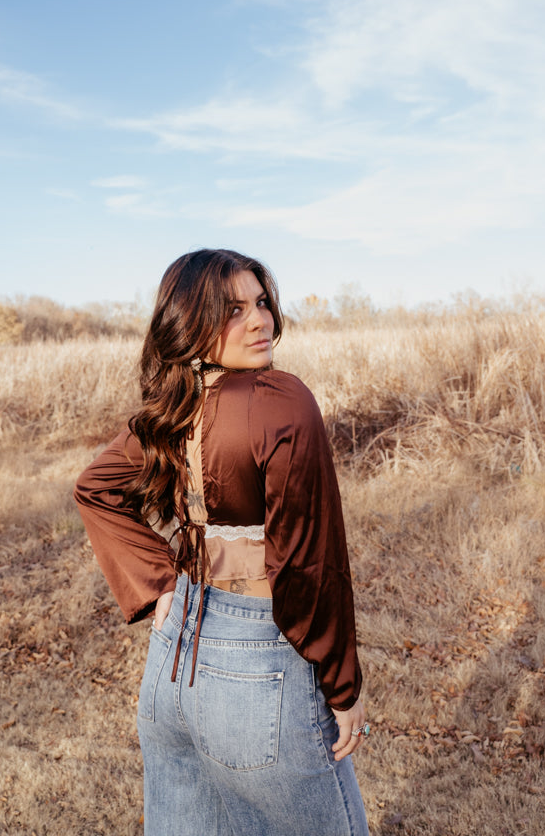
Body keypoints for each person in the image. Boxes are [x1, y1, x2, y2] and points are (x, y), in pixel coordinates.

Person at [74, 248, 370, 836]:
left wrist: (163, 585)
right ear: (189, 320)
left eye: (261, 302)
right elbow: (309, 565)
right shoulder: (281, 401)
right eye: (233, 309)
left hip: (170, 674)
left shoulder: (175, 407)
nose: (260, 320)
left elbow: (95, 488)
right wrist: (344, 688)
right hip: (256, 667)